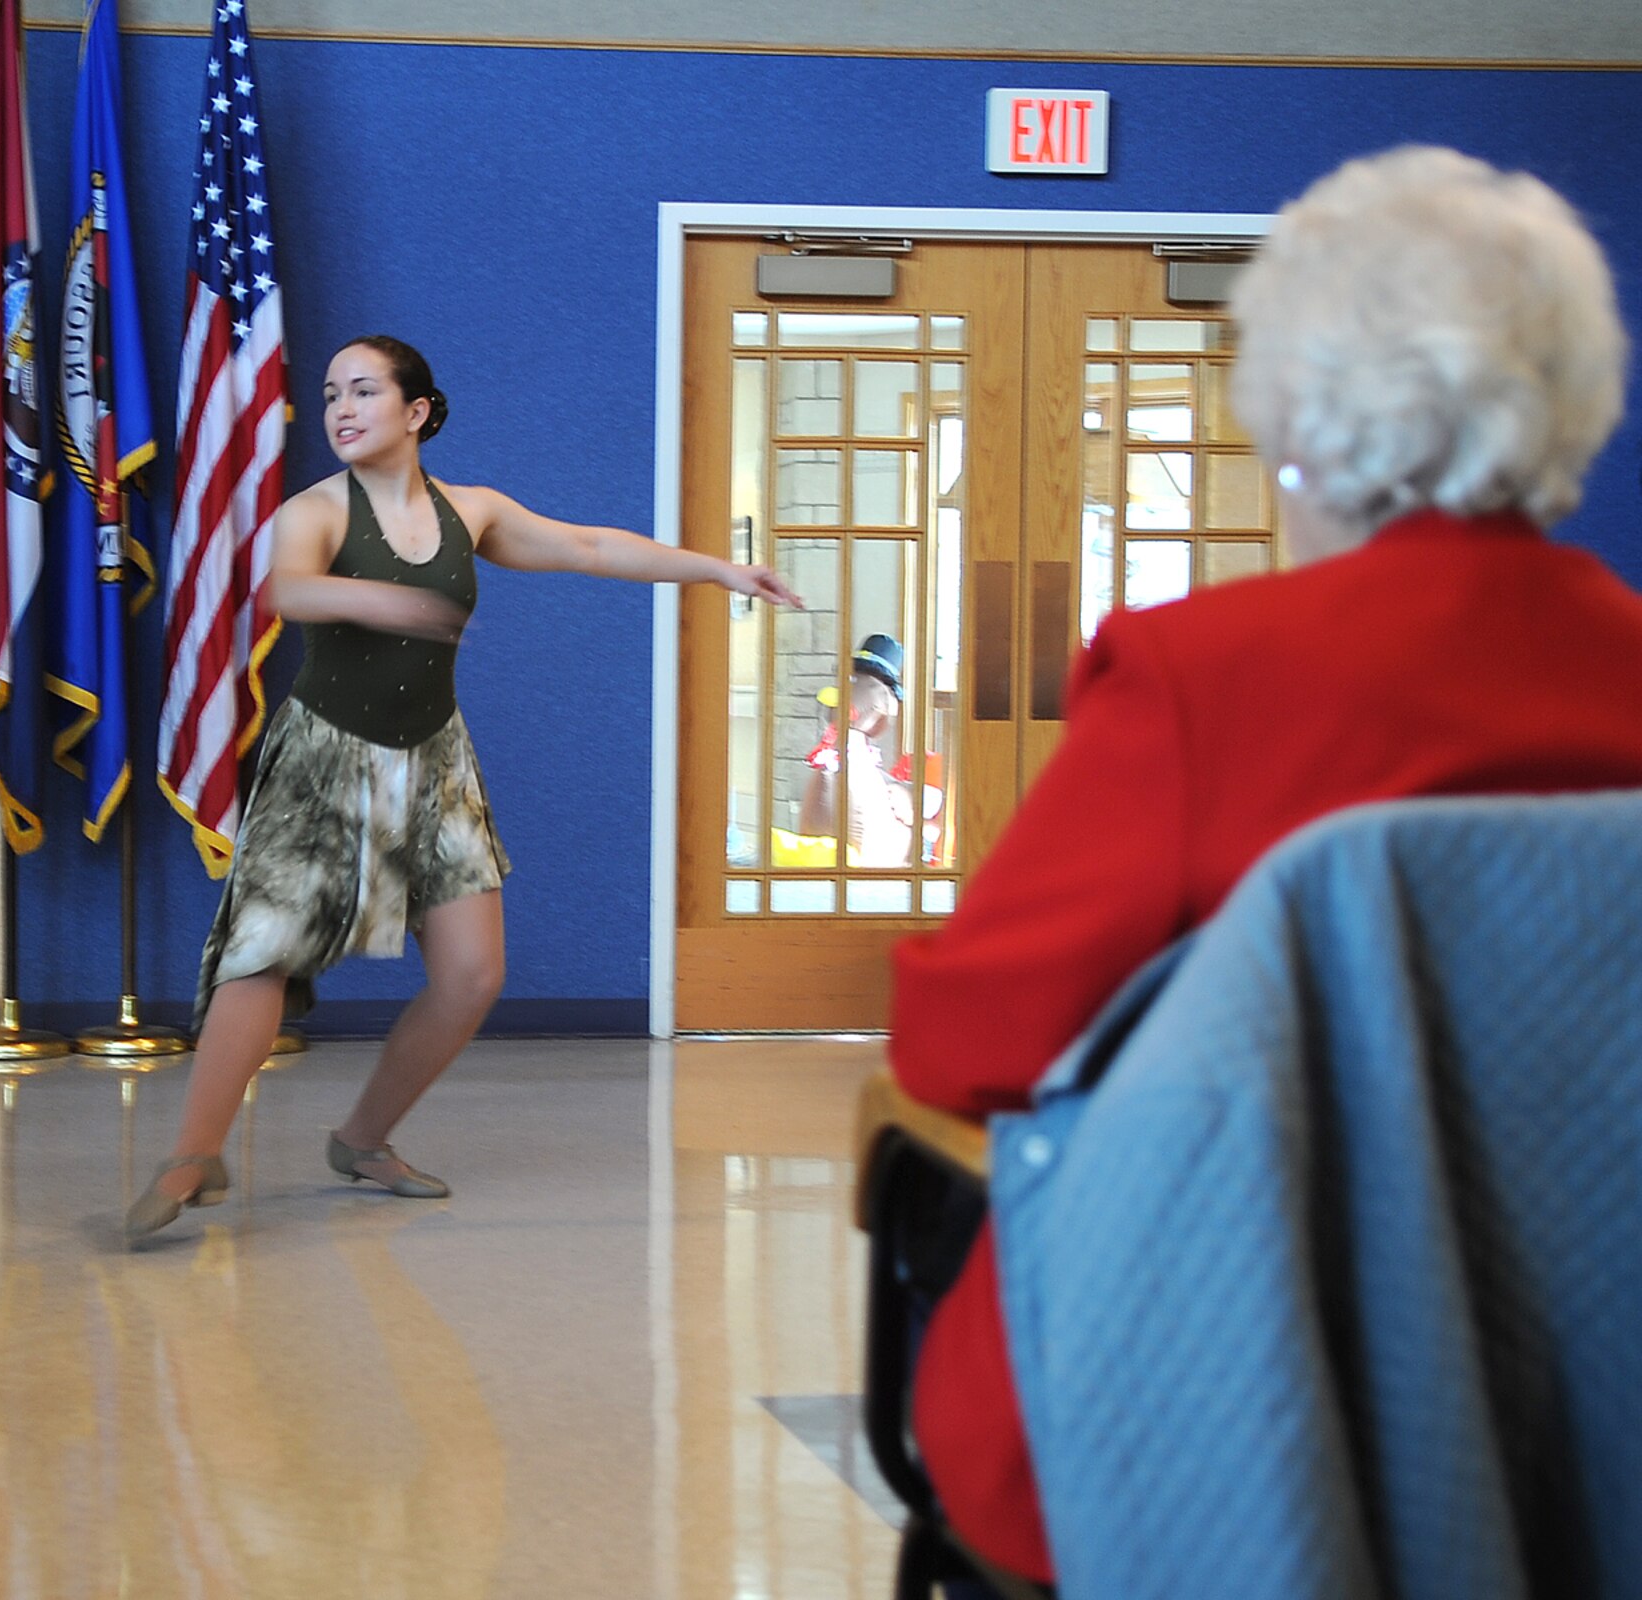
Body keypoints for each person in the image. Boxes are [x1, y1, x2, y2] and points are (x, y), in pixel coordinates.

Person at [887, 146, 1642, 1584]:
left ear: (1294, 414)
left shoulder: (1207, 680)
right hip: (1599, 1404)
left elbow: (962, 1043)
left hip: (1239, 1410)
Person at [127, 334, 801, 1240]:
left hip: (434, 759)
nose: (341, 408)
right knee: (266, 955)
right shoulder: (316, 510)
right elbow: (289, 589)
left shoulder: (471, 510)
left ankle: (363, 1138)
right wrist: (377, 600)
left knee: (474, 974)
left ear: (416, 412)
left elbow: (591, 547)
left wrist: (717, 570)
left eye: (363, 391)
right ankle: (192, 1154)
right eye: (332, 394)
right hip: (327, 759)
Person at [797, 633, 913, 865]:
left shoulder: (844, 685)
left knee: (822, 805)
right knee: (881, 828)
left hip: (833, 756)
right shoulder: (882, 694)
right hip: (854, 759)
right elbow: (879, 726)